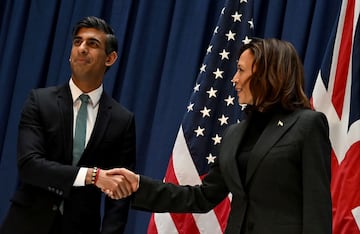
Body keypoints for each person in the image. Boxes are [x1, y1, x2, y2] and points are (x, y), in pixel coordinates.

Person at [108, 38, 332, 234]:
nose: (234, 79)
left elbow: (317, 208)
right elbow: (202, 196)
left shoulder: (307, 124)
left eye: (241, 70)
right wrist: (139, 184)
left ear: (266, 73)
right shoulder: (234, 134)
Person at [0, 16, 136, 234]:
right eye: (77, 42)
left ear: (110, 58)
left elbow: (119, 197)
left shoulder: (122, 120)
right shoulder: (39, 101)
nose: (81, 48)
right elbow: (29, 166)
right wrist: (92, 176)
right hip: (26, 224)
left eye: (92, 44)